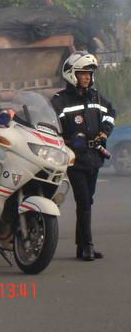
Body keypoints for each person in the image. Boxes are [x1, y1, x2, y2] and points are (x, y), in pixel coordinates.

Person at [51, 51, 115, 261]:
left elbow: (110, 113)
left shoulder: (96, 97)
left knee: (88, 201)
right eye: (83, 73)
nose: (87, 77)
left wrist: (104, 131)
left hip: (94, 158)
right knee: (84, 201)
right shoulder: (60, 101)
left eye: (89, 73)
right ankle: (87, 245)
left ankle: (81, 246)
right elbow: (52, 128)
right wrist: (68, 141)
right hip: (75, 159)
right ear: (72, 74)